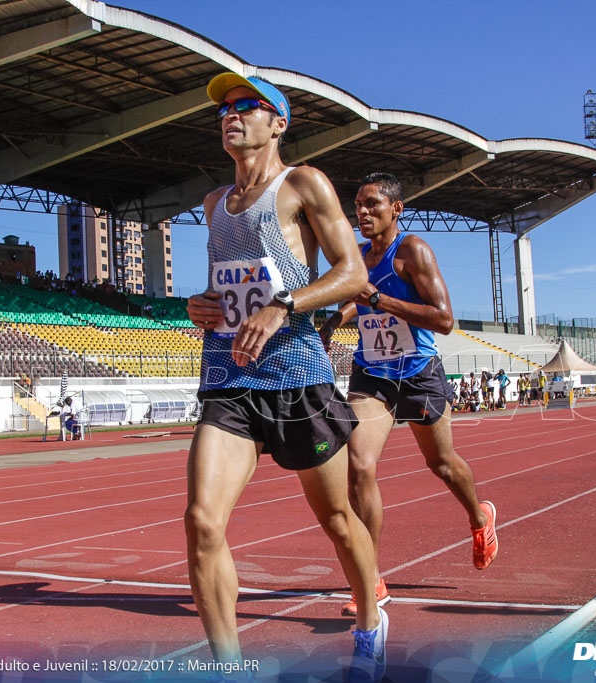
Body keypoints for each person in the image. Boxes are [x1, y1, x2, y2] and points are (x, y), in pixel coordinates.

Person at [186, 73, 386, 682]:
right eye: (225, 108)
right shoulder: (214, 203)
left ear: (278, 123)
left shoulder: (303, 184)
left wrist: (285, 306)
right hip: (229, 374)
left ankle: (372, 623)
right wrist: (201, 304)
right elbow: (227, 283)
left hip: (297, 375)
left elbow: (352, 275)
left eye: (248, 106)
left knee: (337, 521)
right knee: (202, 520)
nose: (232, 114)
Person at [319, 172, 499, 619]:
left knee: (441, 464)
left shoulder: (413, 251)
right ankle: (371, 579)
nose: (362, 212)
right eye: (357, 204)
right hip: (373, 375)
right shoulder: (358, 257)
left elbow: (443, 319)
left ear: (396, 209)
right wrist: (332, 321)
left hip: (418, 373)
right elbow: (357, 302)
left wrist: (380, 301)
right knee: (358, 463)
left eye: (372, 204)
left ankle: (479, 516)